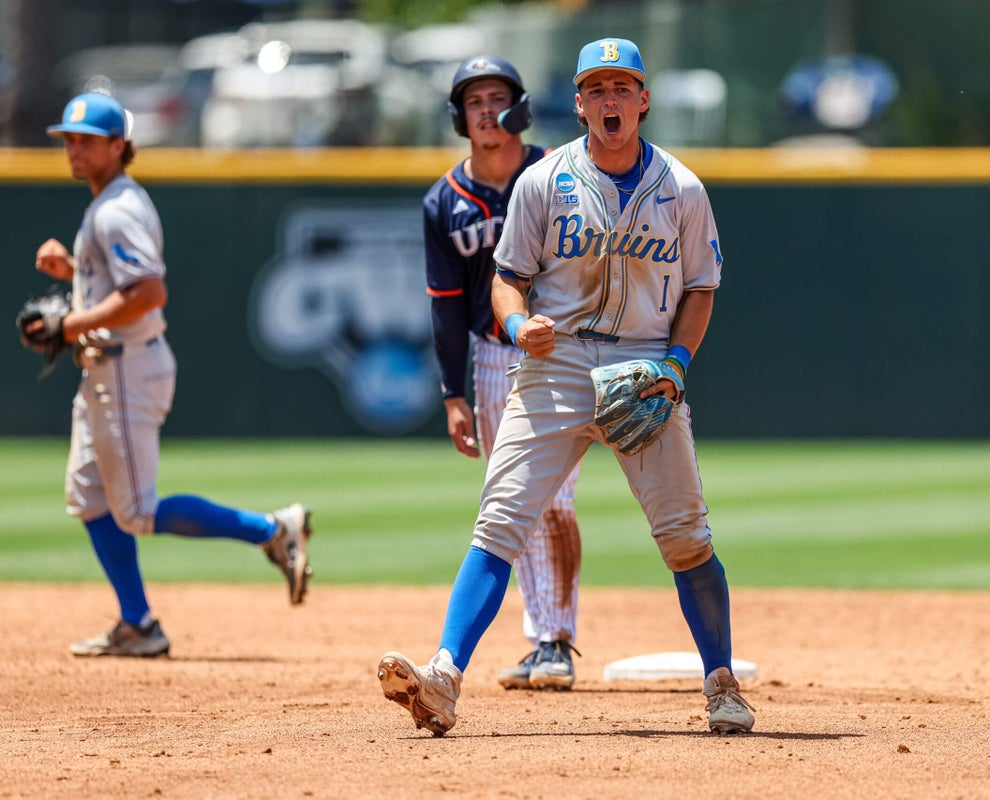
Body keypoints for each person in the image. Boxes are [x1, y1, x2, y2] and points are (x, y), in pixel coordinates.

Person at [377, 37, 755, 735]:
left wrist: (676, 366)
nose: (610, 100)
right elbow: (507, 280)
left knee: (685, 539)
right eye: (596, 89)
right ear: (579, 104)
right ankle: (444, 679)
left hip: (644, 369)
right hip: (555, 368)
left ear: (643, 100)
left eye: (623, 87)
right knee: (500, 523)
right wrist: (518, 329)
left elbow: (701, 288)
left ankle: (723, 683)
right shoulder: (543, 181)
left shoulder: (682, 188)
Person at [27, 92, 314, 658]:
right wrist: (73, 273)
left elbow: (149, 293)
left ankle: (274, 530)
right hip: (106, 370)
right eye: (69, 139)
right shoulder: (106, 203)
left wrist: (70, 323)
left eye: (87, 140)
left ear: (118, 145)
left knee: (134, 511)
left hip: (126, 370)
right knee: (88, 497)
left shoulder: (116, 208)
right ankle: (138, 624)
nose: (74, 149)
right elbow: (121, 286)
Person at [421, 56, 583, 690]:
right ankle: (543, 637)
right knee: (511, 502)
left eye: (497, 97)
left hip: (566, 354)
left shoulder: (560, 173)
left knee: (556, 501)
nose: (486, 109)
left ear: (518, 107)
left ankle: (556, 639)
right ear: (459, 118)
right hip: (491, 356)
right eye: (473, 100)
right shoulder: (443, 201)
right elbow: (445, 305)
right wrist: (452, 393)